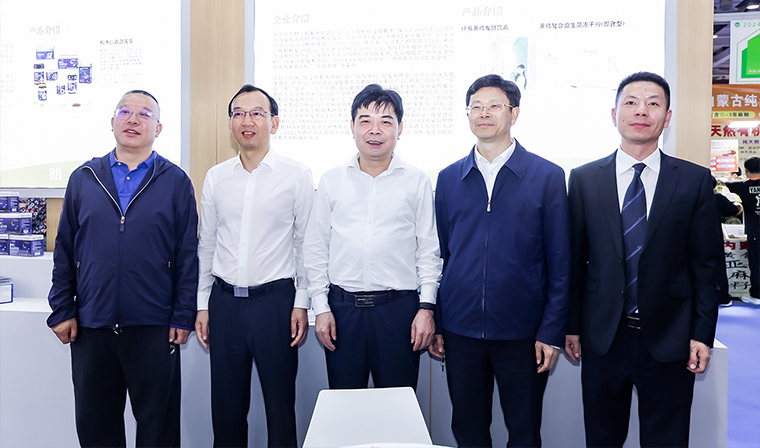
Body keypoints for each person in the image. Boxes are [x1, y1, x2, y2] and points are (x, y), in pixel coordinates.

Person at [565, 72, 723, 448]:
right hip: (604, 337)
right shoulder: (584, 179)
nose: (641, 111)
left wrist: (702, 334)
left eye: (653, 103)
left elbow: (707, 265)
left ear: (667, 117)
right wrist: (570, 326)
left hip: (671, 335)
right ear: (614, 114)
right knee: (602, 438)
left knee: (667, 440)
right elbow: (574, 262)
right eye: (631, 102)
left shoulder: (694, 180)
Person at [47, 90, 199, 448]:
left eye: (145, 114)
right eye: (125, 112)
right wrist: (62, 310)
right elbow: (65, 249)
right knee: (96, 427)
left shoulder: (175, 181)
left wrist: (183, 316)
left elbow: (187, 254)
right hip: (92, 325)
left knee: (158, 430)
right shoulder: (84, 177)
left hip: (154, 327)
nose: (133, 119)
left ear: (158, 128)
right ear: (112, 122)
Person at [430, 74, 571, 448]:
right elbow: (441, 256)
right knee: (468, 429)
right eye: (475, 107)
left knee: (524, 431)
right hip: (460, 330)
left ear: (514, 113)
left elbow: (561, 263)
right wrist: (440, 323)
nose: (484, 113)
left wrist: (550, 332)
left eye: (494, 106)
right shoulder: (448, 178)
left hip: (523, 332)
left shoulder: (547, 176)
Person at [195, 85, 313, 448]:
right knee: (226, 409)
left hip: (275, 305)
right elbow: (207, 244)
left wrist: (301, 302)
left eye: (257, 113)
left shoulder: (296, 175)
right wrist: (202, 304)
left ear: (274, 123)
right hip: (224, 304)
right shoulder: (216, 177)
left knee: (280, 407)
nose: (247, 121)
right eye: (239, 113)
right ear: (230, 123)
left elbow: (306, 244)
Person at [303, 84, 442, 390]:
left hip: (399, 312)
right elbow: (315, 248)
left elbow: (428, 251)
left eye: (386, 121)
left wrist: (426, 308)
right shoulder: (332, 180)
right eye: (365, 121)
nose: (374, 130)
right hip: (342, 312)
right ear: (352, 126)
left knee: (397, 405)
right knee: (345, 404)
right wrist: (321, 308)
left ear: (400, 129)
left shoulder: (417, 180)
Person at [725, 156, 760, 305]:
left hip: (755, 232)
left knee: (756, 264)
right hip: (755, 232)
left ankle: (757, 295)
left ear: (746, 171)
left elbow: (727, 183)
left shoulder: (742, 186)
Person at [713, 176, 742, 306]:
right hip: (713, 235)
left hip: (691, 237)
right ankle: (723, 298)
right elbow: (733, 210)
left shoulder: (691, 197)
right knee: (718, 266)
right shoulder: (717, 197)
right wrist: (739, 206)